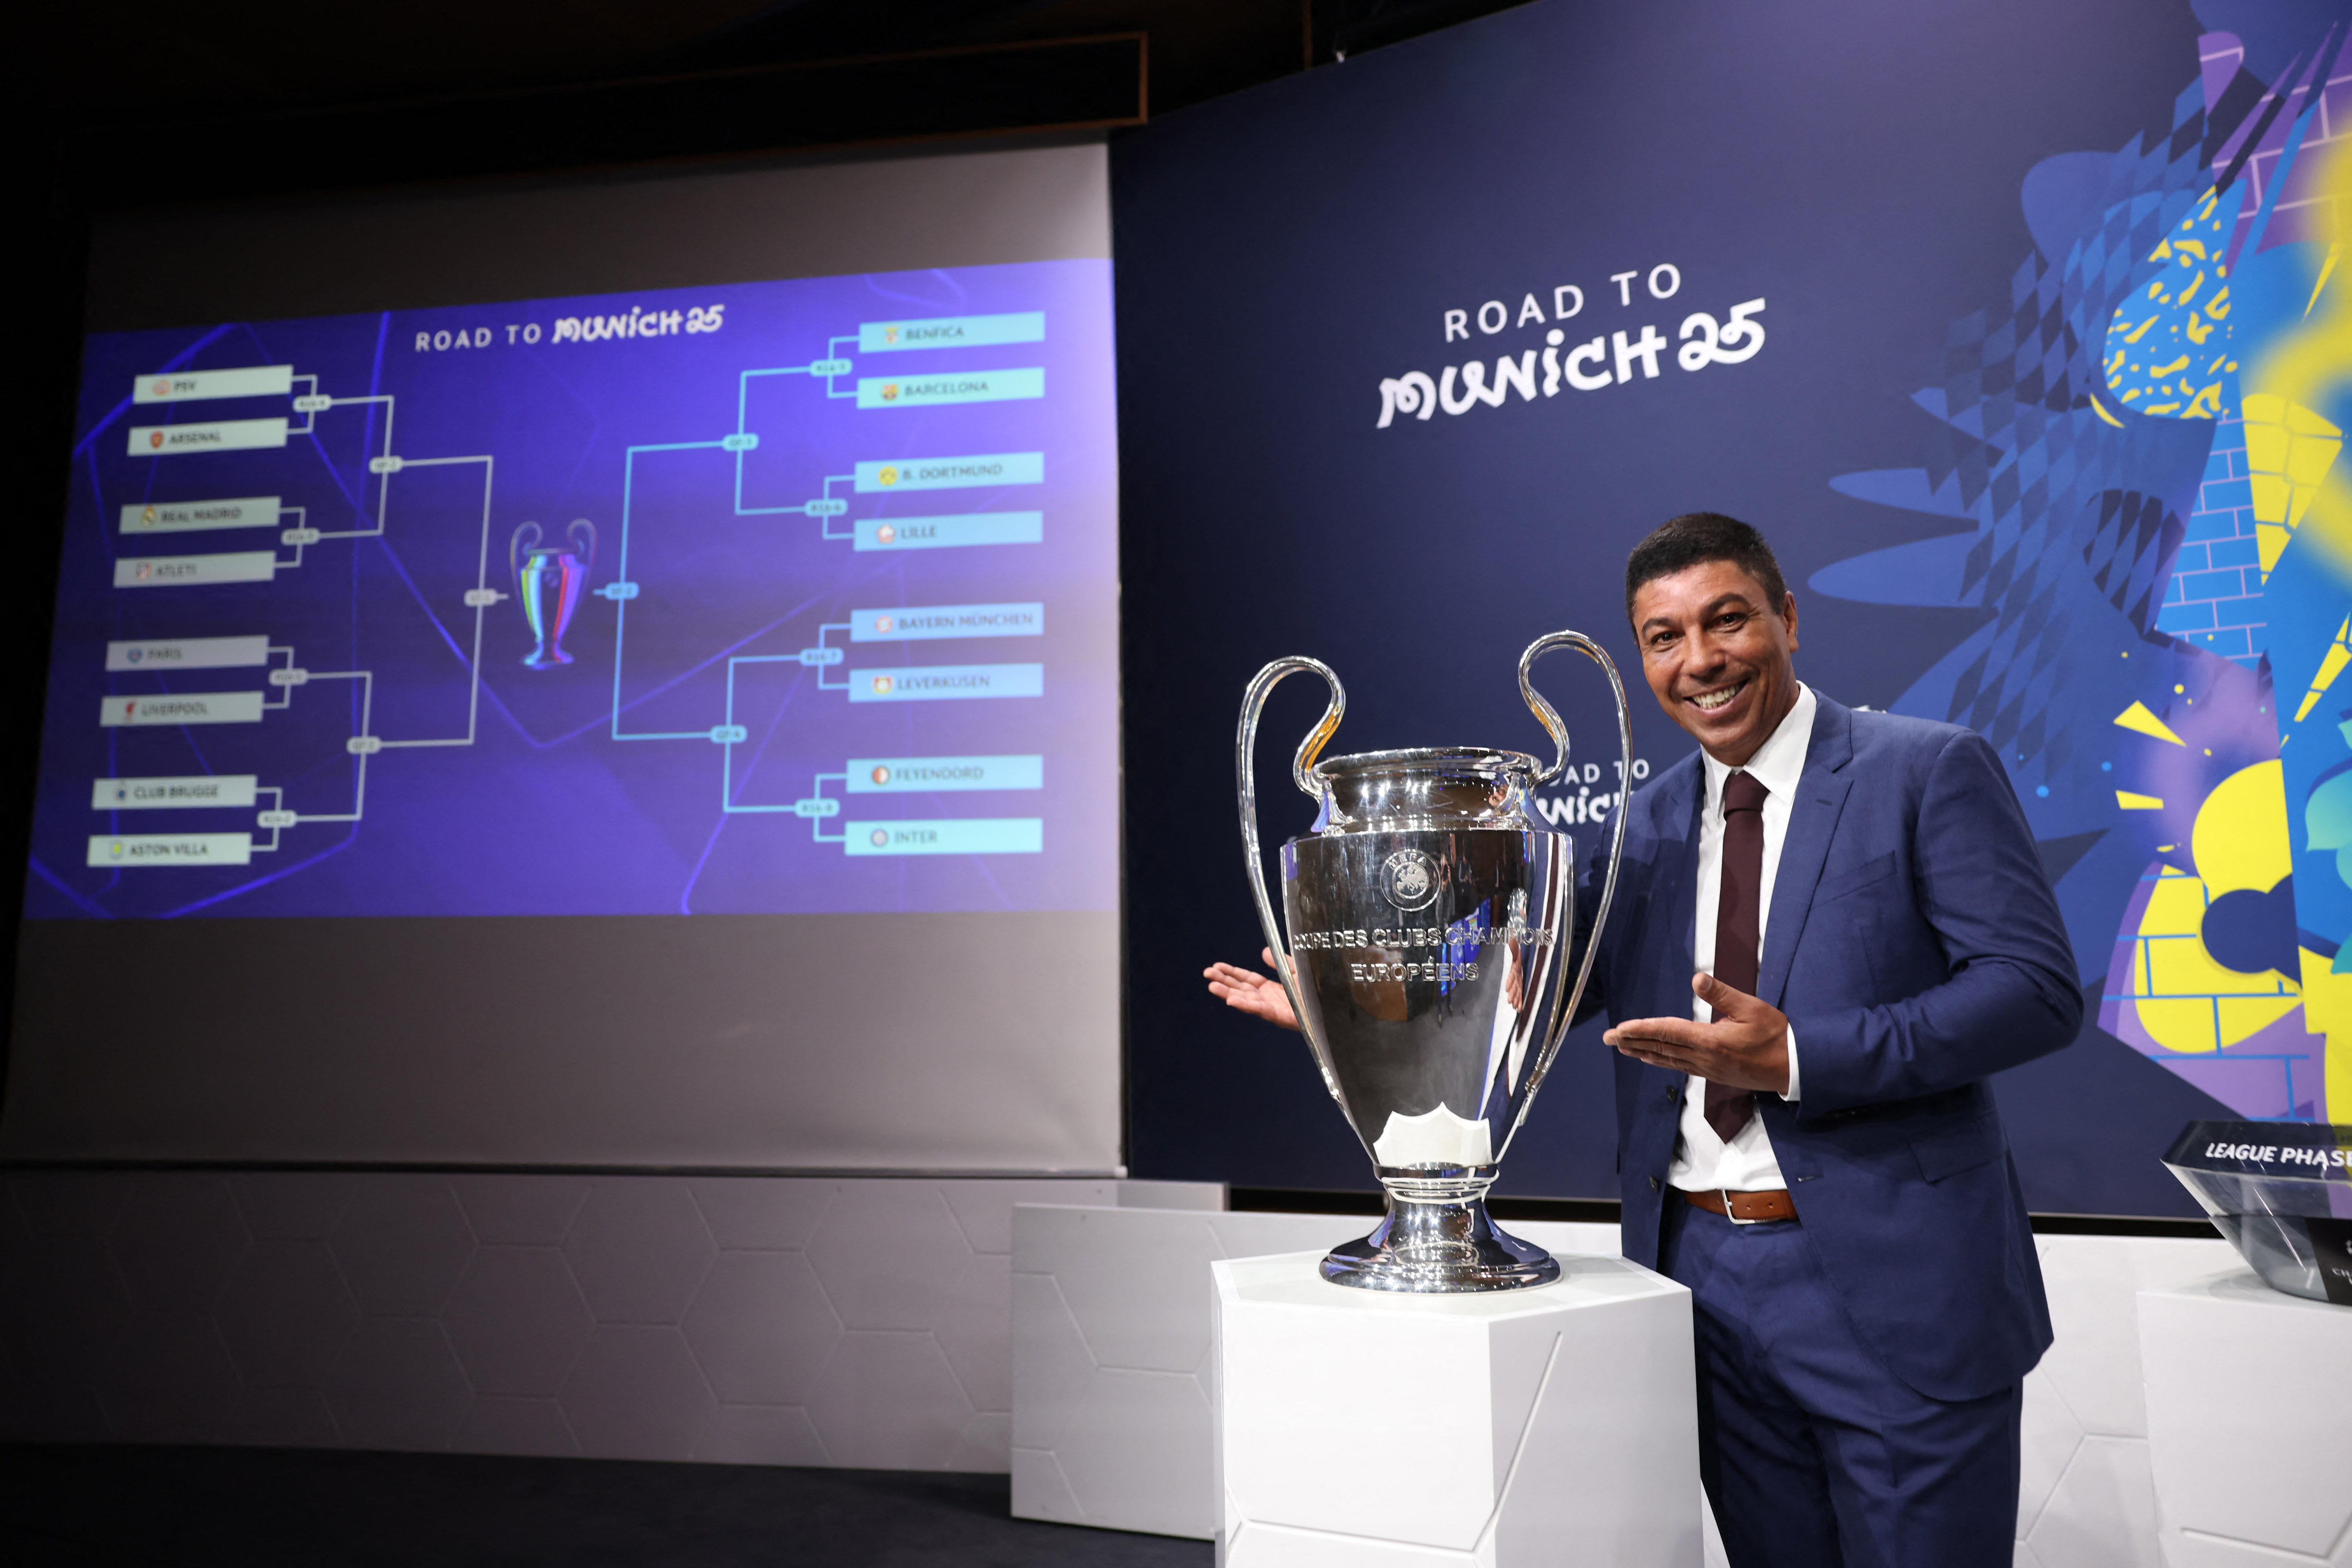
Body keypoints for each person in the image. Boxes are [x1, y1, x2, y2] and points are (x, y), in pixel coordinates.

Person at [1206, 512, 2079, 1568]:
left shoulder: (1926, 769)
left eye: (1727, 622)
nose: (1700, 661)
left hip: (1900, 1288)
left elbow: (2032, 991)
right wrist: (1358, 1010)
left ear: (1788, 619)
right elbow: (1528, 998)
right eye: (1664, 638)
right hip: (1699, 1287)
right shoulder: (1639, 828)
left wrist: (1796, 1057)